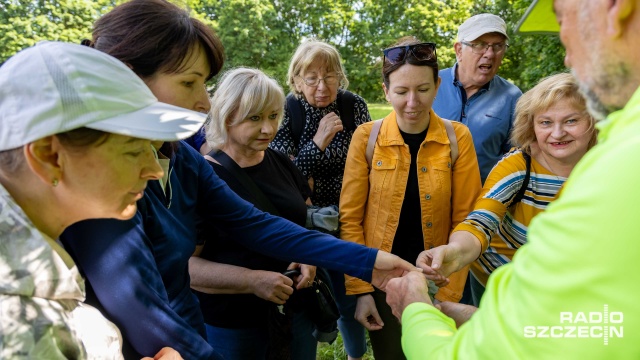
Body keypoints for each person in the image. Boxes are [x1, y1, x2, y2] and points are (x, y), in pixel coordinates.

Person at [59, 1, 419, 359]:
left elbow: (257, 224)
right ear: (127, 78)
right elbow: (137, 306)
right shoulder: (98, 180)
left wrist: (369, 261)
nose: (203, 102)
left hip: (191, 331)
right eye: (189, 83)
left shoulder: (181, 159)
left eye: (205, 84)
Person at [385, 0, 640, 358]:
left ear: (614, 9)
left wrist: (417, 308)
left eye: (563, 21)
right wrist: (458, 258)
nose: (567, 56)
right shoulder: (618, 148)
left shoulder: (614, 163)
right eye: (546, 122)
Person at [0, 41, 204, 359]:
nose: (153, 169)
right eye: (134, 149)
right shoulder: (18, 319)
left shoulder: (37, 276)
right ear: (49, 156)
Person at [339, 36, 482, 359]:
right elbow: (350, 219)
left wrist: (447, 291)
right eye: (401, 92)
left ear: (438, 85)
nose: (413, 102)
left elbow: (466, 219)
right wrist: (361, 290)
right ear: (386, 90)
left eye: (423, 89)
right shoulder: (367, 137)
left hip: (437, 280)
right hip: (382, 281)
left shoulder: (457, 137)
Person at [431, 72, 597, 306]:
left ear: (593, 120)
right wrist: (456, 252)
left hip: (562, 286)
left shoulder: (606, 166)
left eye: (571, 121)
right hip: (501, 279)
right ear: (532, 126)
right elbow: (481, 220)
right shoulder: (519, 165)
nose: (558, 133)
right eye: (545, 122)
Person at [189, 67, 319, 359]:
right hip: (234, 327)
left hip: (294, 312)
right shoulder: (202, 177)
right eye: (255, 118)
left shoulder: (280, 162)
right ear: (227, 117)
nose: (268, 129)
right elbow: (187, 267)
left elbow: (307, 218)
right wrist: (251, 280)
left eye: (273, 116)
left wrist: (309, 257)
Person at [268, 39, 372, 359]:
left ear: (340, 77)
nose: (322, 86)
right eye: (311, 78)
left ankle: (355, 353)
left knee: (350, 293)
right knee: (314, 296)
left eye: (330, 76)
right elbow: (284, 178)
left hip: (353, 214)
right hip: (308, 220)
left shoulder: (353, 105)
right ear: (296, 80)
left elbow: (371, 159)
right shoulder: (288, 111)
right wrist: (317, 142)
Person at [433, 13, 522, 183]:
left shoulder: (513, 98)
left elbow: (517, 158)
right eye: (480, 45)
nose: (489, 53)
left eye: (498, 46)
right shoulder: (429, 85)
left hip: (481, 202)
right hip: (428, 198)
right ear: (459, 50)